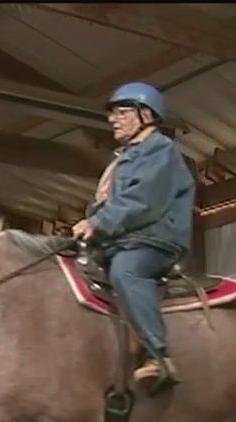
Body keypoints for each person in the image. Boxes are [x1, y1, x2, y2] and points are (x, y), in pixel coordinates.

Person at [72, 82, 195, 391]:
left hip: (153, 239)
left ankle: (158, 355)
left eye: (122, 112)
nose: (113, 119)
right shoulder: (124, 158)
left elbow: (142, 202)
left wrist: (99, 223)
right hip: (122, 238)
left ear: (146, 115)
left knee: (126, 272)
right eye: (113, 114)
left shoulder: (160, 150)